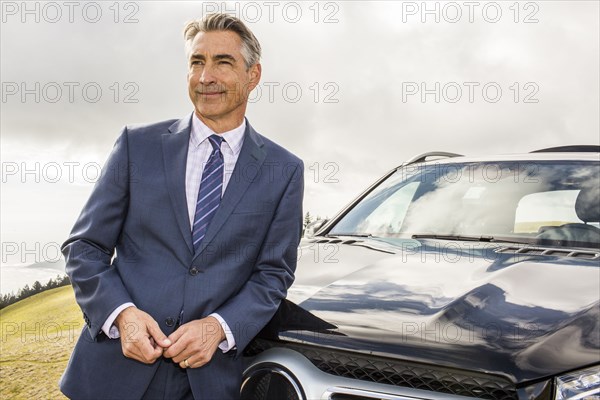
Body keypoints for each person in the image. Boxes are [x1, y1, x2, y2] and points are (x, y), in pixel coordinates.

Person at [60, 13, 304, 399]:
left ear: (253, 76)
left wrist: (219, 328)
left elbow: (273, 275)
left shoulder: (284, 170)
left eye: (223, 62)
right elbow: (84, 247)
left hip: (209, 382)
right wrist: (121, 315)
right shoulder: (135, 147)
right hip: (112, 377)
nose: (206, 76)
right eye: (196, 62)